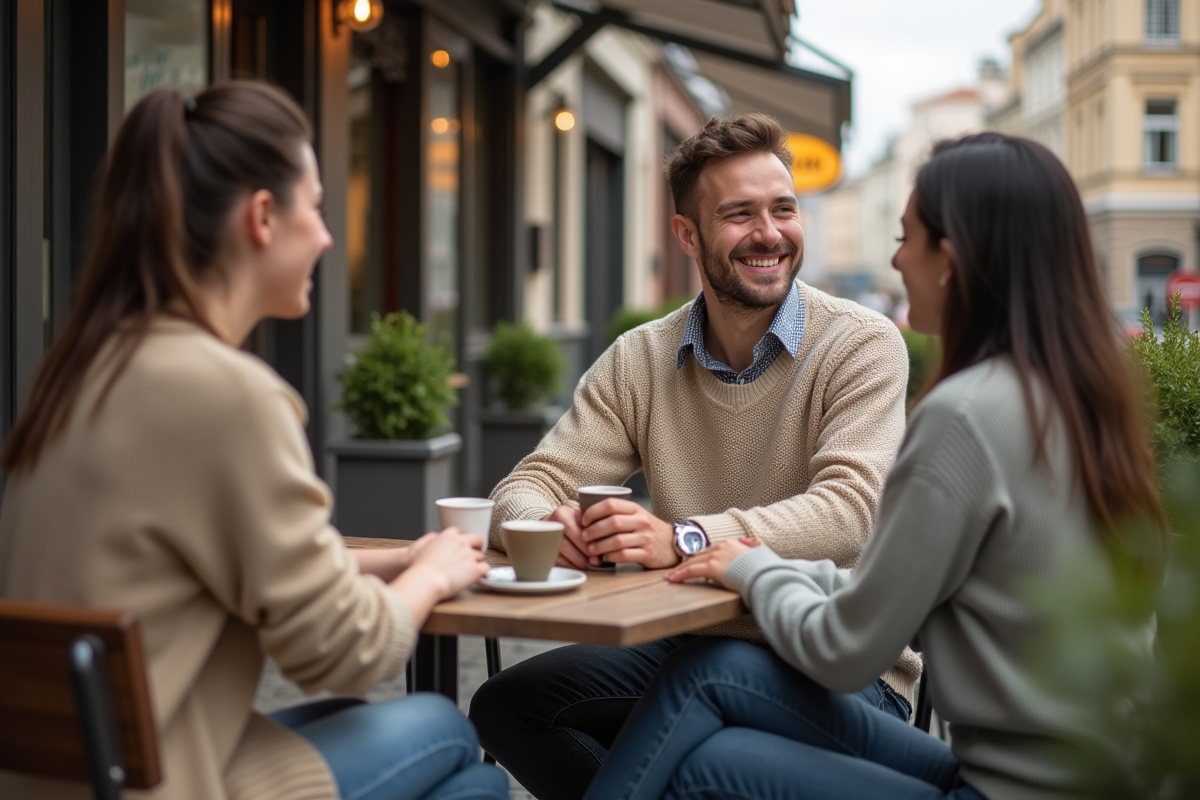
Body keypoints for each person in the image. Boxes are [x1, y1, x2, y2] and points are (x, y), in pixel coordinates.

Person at [581, 133, 1167, 800]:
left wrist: (746, 565)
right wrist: (754, 564)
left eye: (906, 236)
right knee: (702, 685)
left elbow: (848, 648)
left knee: (704, 745)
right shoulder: (1079, 395)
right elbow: (891, 591)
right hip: (1081, 778)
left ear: (952, 258)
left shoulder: (966, 415)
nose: (894, 259)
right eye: (741, 213)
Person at [0, 83, 507, 800]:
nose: (329, 237)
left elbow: (245, 573)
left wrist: (403, 558)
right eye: (319, 206)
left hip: (66, 776)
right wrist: (435, 578)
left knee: (382, 730)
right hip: (164, 782)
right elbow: (343, 651)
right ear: (263, 216)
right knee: (453, 738)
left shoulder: (81, 372)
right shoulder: (227, 394)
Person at [470, 113, 922, 799]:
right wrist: (546, 527)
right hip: (694, 645)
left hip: (840, 664)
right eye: (740, 214)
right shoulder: (642, 356)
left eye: (783, 210)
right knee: (507, 705)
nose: (769, 233)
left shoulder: (860, 344)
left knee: (697, 722)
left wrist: (682, 539)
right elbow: (530, 482)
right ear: (687, 235)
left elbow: (850, 513)